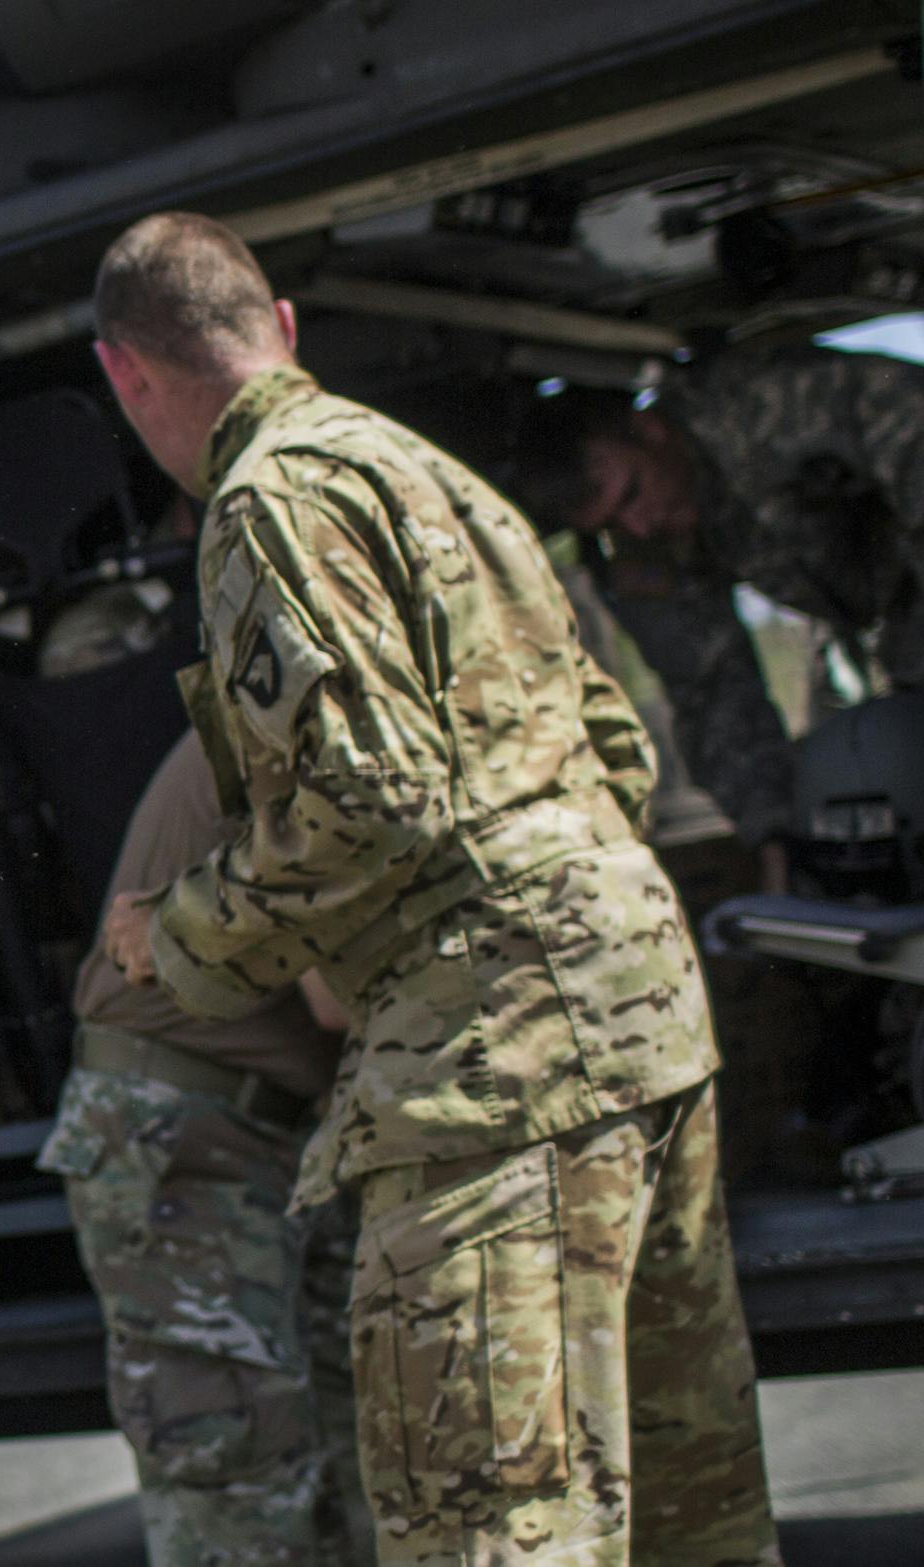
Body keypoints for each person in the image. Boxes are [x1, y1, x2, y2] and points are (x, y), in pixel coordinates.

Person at [90, 211, 780, 1565]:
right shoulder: (433, 475)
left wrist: (169, 935)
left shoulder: (267, 499)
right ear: (283, 323)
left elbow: (369, 800)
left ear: (128, 374)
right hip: (645, 1017)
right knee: (695, 1509)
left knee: (492, 1523)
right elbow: (616, 738)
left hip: (494, 1068)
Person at [38, 728, 372, 1566]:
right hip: (181, 1137)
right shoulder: (297, 729)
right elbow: (340, 997)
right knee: (241, 1494)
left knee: (345, 1466)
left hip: (259, 1129)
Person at [512, 345, 924, 882]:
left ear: (651, 429)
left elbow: (913, 429)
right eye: (612, 523)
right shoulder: (645, 543)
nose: (639, 526)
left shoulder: (762, 406)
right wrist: (778, 833)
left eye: (632, 493)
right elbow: (711, 691)